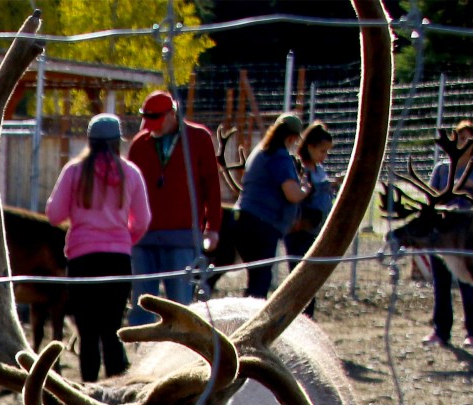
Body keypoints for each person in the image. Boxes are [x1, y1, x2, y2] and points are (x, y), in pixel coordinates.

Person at [44, 112, 152, 382]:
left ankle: (88, 399)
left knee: (87, 333)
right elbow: (143, 220)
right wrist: (124, 240)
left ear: (89, 141)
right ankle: (116, 398)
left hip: (83, 259)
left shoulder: (73, 171)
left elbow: (54, 214)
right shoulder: (131, 173)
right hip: (117, 260)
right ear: (118, 142)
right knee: (113, 331)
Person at [125, 89, 223, 325]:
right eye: (148, 120)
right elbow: (129, 190)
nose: (152, 126)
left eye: (156, 120)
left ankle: (181, 349)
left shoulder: (198, 139)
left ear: (171, 115)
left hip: (182, 235)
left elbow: (212, 184)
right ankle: (142, 351)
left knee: (181, 304)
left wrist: (213, 227)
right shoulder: (140, 144)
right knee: (142, 301)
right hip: (143, 236)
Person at [426, 120, 473, 350]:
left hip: (468, 236)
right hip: (443, 233)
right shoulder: (442, 168)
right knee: (441, 283)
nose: (462, 143)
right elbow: (430, 198)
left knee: (468, 283)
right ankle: (441, 330)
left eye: (468, 139)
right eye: (459, 138)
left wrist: (472, 185)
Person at [233, 113, 310, 300]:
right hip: (262, 225)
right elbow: (292, 194)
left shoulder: (260, 151)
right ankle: (251, 320)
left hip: (242, 219)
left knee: (255, 277)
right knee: (260, 280)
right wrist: (306, 189)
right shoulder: (280, 157)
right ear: (291, 137)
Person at [284, 122, 338, 318]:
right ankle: (299, 318)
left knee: (312, 280)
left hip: (316, 232)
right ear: (310, 147)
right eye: (322, 151)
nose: (325, 155)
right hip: (302, 231)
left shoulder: (318, 169)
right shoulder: (301, 169)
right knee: (301, 281)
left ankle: (308, 317)